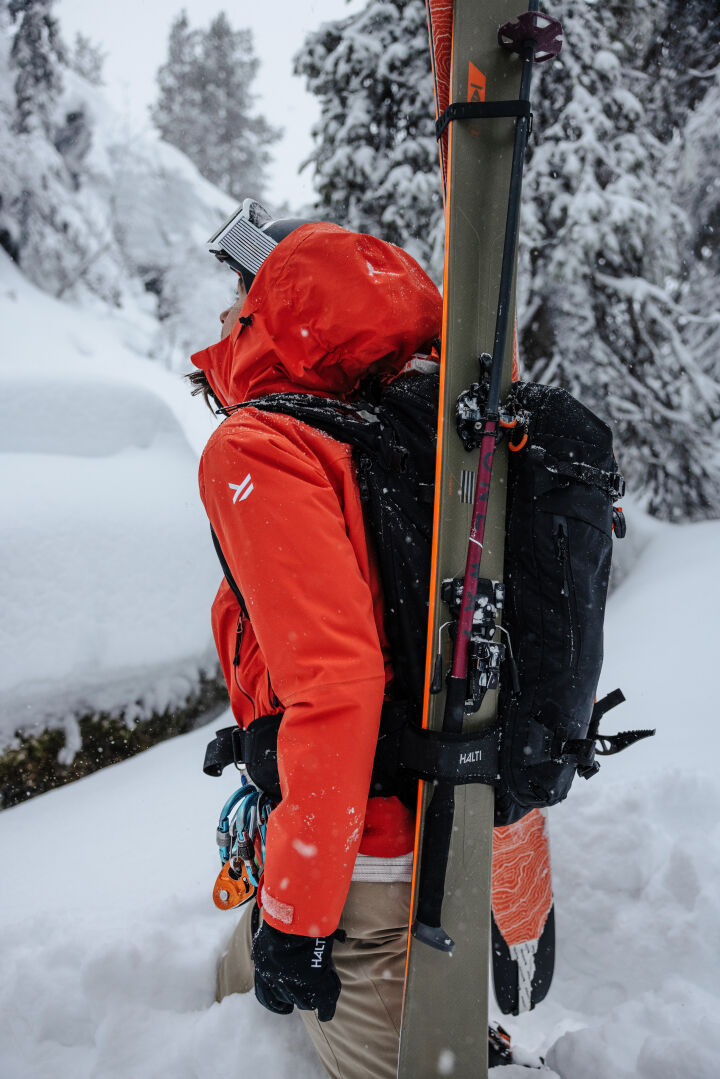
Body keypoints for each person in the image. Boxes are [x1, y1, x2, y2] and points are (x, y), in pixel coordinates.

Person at [189, 199, 442, 1079]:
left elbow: (337, 682)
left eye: (236, 298)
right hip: (412, 816)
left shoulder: (262, 445)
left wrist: (296, 918)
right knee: (218, 1020)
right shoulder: (392, 435)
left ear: (267, 312)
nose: (220, 317)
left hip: (361, 868)